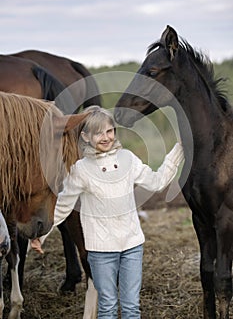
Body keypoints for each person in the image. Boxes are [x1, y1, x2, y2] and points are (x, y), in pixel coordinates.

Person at [32, 105, 184, 318]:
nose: (105, 137)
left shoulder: (128, 159)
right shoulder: (80, 170)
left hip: (132, 246)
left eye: (109, 131)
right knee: (108, 306)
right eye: (98, 133)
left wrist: (179, 149)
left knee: (131, 306)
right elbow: (63, 207)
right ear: (85, 136)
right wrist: (41, 235)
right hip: (101, 250)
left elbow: (157, 182)